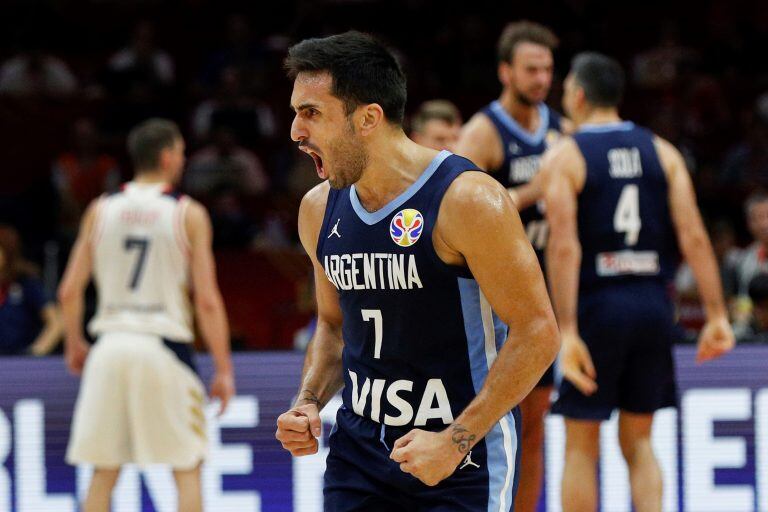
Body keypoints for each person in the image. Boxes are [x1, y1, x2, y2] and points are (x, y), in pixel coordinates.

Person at [274, 31, 559, 511]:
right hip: (359, 454)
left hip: (461, 457)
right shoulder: (318, 210)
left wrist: (454, 440)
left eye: (312, 112)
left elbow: (538, 332)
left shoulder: (467, 199)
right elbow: (333, 325)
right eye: (296, 112)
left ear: (367, 118)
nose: (296, 132)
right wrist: (308, 400)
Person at [539, 52, 735, 512]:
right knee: (640, 441)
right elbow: (694, 237)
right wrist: (718, 314)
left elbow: (564, 247)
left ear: (579, 95)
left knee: (581, 444)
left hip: (596, 308)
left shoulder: (566, 155)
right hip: (651, 304)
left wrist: (565, 330)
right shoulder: (662, 151)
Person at [58, 119, 235, 512]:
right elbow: (206, 300)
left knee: (104, 472)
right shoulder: (188, 213)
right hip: (162, 349)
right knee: (186, 469)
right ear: (168, 156)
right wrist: (223, 368)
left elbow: (68, 291)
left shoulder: (100, 209)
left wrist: (74, 341)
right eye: (182, 154)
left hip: (109, 347)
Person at [454, 20, 566, 512]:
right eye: (531, 69)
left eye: (547, 69)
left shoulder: (562, 129)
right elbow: (455, 215)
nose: (541, 79)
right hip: (494, 299)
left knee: (536, 422)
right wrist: (529, 193)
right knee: (490, 422)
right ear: (506, 71)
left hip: (547, 295)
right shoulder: (483, 132)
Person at [0, 225, 62, 355]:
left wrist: (35, 352)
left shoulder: (27, 284)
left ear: (7, 252)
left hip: (18, 364)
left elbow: (57, 323)